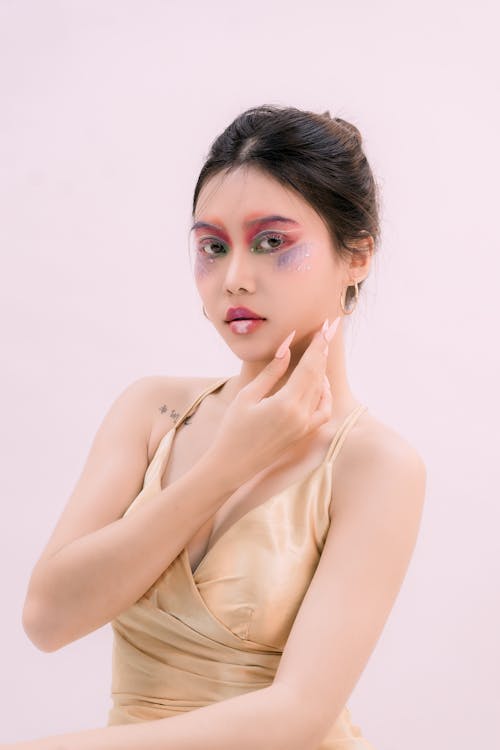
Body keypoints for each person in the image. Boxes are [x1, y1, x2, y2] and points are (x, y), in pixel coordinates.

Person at [15, 105, 426, 750]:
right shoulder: (152, 412)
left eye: (272, 242)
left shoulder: (375, 465)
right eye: (213, 245)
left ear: (358, 256)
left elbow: (295, 716)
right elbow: (47, 620)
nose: (234, 277)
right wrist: (224, 467)